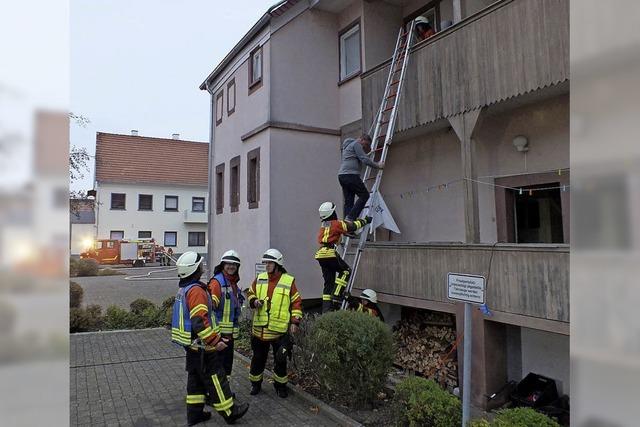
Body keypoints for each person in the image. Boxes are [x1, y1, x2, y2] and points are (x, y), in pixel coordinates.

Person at [170, 251, 249, 426]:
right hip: (202, 346)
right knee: (216, 378)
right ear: (194, 269)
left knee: (196, 380)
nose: (202, 268)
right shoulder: (197, 291)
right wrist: (215, 341)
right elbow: (200, 322)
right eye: (200, 265)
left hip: (192, 345)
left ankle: (195, 414)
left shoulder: (185, 288)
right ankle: (230, 412)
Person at [246, 249, 303, 398]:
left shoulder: (288, 281)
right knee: (258, 359)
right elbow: (250, 292)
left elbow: (296, 302)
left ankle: (280, 386)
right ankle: (255, 384)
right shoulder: (260, 278)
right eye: (266, 263)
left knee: (280, 360)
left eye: (270, 262)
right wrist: (254, 301)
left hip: (279, 332)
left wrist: (295, 322)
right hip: (259, 330)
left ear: (278, 263)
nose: (267, 265)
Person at [315, 201, 372, 312]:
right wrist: (365, 221)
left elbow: (333, 233)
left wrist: (342, 233)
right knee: (346, 271)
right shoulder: (337, 224)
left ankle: (326, 309)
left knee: (329, 282)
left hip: (320, 255)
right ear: (332, 213)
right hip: (329, 253)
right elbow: (353, 226)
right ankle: (337, 295)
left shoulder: (324, 225)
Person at [208, 250, 244, 379]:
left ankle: (225, 391)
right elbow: (210, 310)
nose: (231, 266)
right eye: (228, 263)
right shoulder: (217, 282)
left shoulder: (232, 283)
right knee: (219, 366)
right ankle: (219, 394)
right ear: (223, 265)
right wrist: (215, 337)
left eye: (234, 264)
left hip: (229, 336)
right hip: (220, 336)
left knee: (226, 366)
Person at [338, 134, 384, 222]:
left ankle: (347, 226)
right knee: (364, 195)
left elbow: (357, 157)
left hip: (342, 176)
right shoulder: (356, 144)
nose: (364, 146)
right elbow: (364, 159)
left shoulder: (348, 146)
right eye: (365, 144)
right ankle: (351, 217)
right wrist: (378, 165)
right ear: (362, 139)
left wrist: (366, 155)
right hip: (351, 175)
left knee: (349, 202)